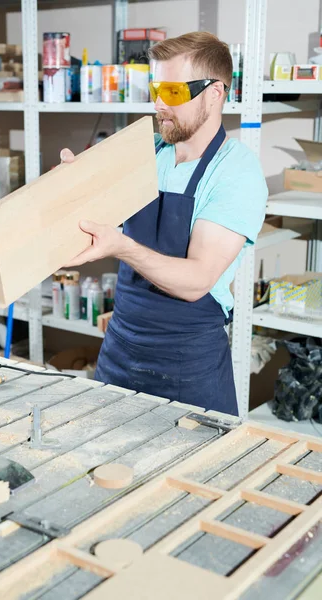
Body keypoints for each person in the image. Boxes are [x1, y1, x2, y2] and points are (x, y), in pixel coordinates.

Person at [60, 32, 267, 416]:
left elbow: (196, 281)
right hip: (120, 350)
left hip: (188, 365)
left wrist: (121, 245)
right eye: (156, 88)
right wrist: (73, 185)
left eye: (173, 92)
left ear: (214, 93)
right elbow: (86, 217)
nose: (158, 104)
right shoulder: (147, 154)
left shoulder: (236, 171)